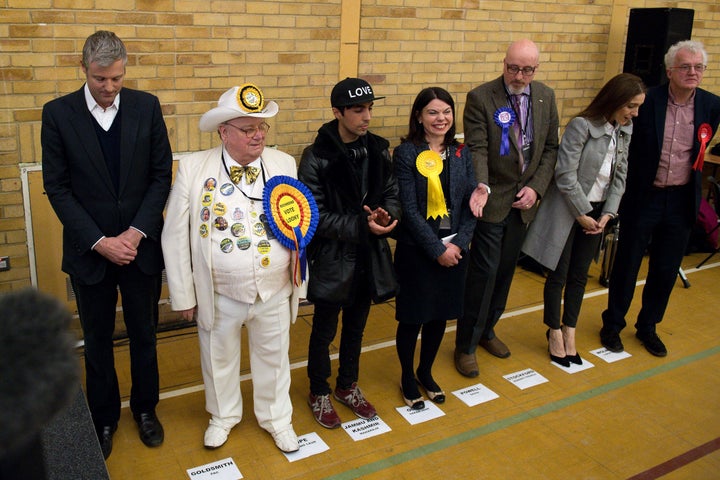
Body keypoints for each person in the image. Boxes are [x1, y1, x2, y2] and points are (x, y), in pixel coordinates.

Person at [41, 30, 171, 459]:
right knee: (97, 341)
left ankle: (146, 411)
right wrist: (100, 241)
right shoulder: (57, 114)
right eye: (100, 79)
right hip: (89, 254)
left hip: (140, 249)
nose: (110, 88)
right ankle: (104, 418)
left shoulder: (146, 107)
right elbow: (57, 189)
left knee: (144, 336)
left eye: (117, 78)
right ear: (83, 69)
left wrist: (135, 233)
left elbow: (160, 177)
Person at [161, 84, 304, 453]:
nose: (257, 135)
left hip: (274, 287)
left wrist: (298, 277)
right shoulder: (194, 169)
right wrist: (183, 293)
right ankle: (223, 416)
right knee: (218, 358)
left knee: (274, 359)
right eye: (247, 129)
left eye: (261, 128)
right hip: (220, 290)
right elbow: (174, 235)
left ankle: (277, 418)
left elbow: (299, 224)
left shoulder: (284, 164)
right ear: (224, 132)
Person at [600, 40, 720, 357]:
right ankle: (612, 325)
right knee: (626, 265)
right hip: (644, 196)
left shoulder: (711, 105)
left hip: (681, 200)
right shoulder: (647, 100)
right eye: (685, 66)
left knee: (666, 269)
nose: (692, 72)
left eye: (698, 67)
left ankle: (648, 326)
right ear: (670, 71)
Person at [522, 74, 646, 366]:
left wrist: (608, 213)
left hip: (598, 214)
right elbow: (565, 174)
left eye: (638, 107)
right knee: (559, 274)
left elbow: (620, 177)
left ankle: (570, 330)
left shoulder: (625, 130)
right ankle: (553, 330)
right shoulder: (582, 126)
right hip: (570, 211)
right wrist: (582, 214)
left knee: (580, 275)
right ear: (615, 99)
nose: (634, 113)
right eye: (631, 106)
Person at [298, 78, 400, 428]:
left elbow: (391, 191)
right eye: (358, 110)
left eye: (370, 108)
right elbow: (314, 215)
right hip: (332, 258)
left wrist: (388, 215)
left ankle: (347, 385)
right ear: (337, 112)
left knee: (356, 327)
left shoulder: (378, 149)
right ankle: (318, 390)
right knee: (324, 330)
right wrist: (360, 225)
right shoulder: (316, 157)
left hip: (368, 257)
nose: (366, 116)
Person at [454, 39, 559, 377]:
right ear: (503, 63)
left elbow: (550, 149)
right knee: (482, 274)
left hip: (524, 201)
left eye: (526, 69)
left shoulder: (546, 96)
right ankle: (466, 345)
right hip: (492, 200)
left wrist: (536, 188)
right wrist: (482, 187)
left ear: (536, 69)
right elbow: (478, 149)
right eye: (512, 67)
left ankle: (488, 331)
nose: (518, 75)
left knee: (505, 272)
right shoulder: (481, 97)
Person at [392, 87, 476, 408]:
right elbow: (408, 209)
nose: (441, 119)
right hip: (418, 250)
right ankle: (406, 377)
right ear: (419, 116)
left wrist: (458, 244)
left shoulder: (460, 152)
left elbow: (471, 203)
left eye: (446, 112)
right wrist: (435, 249)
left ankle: (425, 372)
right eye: (432, 112)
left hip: (455, 248)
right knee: (413, 317)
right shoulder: (405, 154)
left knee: (439, 315)